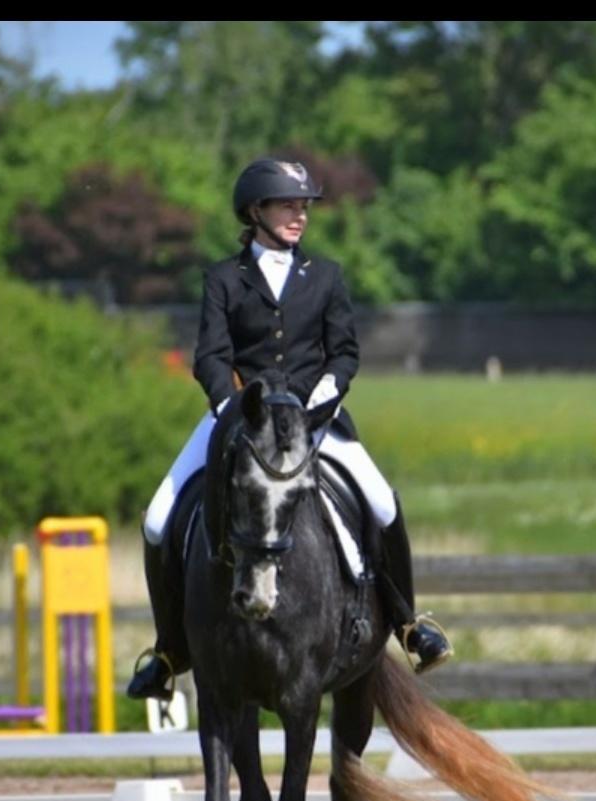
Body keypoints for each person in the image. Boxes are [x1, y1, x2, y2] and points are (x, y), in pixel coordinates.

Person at [127, 158, 452, 703]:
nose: (299, 215)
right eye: (287, 205)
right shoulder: (224, 280)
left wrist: (318, 402)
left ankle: (408, 625)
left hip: (315, 420)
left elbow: (343, 352)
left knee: (382, 501)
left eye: (304, 206)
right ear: (256, 211)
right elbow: (210, 356)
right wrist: (233, 407)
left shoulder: (325, 276)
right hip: (239, 420)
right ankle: (167, 652)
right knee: (160, 518)